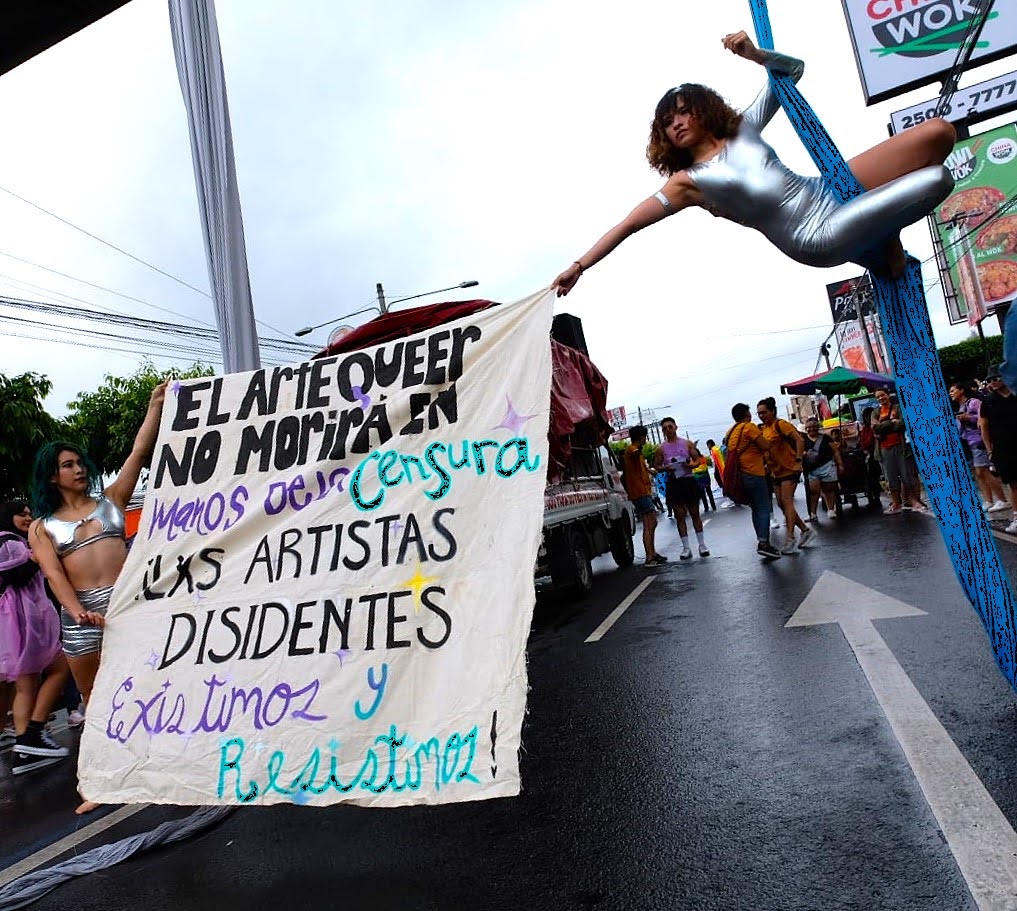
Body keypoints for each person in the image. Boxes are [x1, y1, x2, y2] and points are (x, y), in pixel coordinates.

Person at [552, 30, 955, 297]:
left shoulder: (743, 129)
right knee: (938, 179)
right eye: (666, 122)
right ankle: (885, 239)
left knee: (938, 133)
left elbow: (793, 71)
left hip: (822, 189)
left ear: (702, 110)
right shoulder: (688, 182)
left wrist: (754, 55)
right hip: (812, 233)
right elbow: (627, 224)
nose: (675, 123)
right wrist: (579, 266)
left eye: (681, 112)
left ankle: (882, 238)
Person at [28, 381, 167, 813]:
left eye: (80, 463)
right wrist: (77, 611)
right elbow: (54, 574)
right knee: (96, 703)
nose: (79, 470)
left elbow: (137, 456)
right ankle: (95, 786)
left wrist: (155, 406)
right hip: (83, 618)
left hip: (128, 609)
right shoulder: (43, 527)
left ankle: (158, 766)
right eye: (68, 465)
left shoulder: (111, 502)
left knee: (153, 686)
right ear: (53, 475)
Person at [0, 500, 72, 776]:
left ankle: (26, 743)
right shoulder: (11, 543)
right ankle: (28, 739)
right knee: (51, 670)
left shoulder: (15, 541)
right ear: (8, 516)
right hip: (22, 623)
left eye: (30, 513)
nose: (28, 518)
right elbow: (16, 577)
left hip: (20, 623)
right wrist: (36, 556)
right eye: (21, 513)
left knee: (27, 683)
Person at [724, 403, 780, 559]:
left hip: (740, 476)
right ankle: (764, 544)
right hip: (754, 473)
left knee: (755, 509)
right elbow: (765, 445)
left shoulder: (731, 431)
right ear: (747, 414)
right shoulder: (749, 427)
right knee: (763, 508)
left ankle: (761, 539)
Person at [757, 398, 813, 553]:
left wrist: (799, 459)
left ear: (772, 411)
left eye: (764, 412)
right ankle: (805, 530)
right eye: (759, 413)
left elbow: (799, 440)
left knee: (787, 502)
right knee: (782, 504)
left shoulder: (780, 424)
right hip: (775, 471)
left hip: (789, 468)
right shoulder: (763, 429)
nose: (762, 415)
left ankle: (790, 538)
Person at [654, 417, 710, 559]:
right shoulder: (661, 448)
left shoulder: (687, 444)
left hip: (688, 480)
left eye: (670, 427)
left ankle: (702, 545)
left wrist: (692, 465)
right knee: (680, 515)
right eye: (665, 428)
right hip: (673, 482)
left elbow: (697, 460)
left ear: (675, 427)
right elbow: (657, 466)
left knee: (695, 513)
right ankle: (686, 548)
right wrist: (666, 468)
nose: (668, 430)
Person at [950, 381, 1008, 513]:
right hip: (968, 443)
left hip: (978, 441)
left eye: (953, 390)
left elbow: (984, 418)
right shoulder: (960, 407)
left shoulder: (974, 402)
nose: (951, 394)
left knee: (984, 471)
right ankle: (988, 500)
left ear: (961, 390)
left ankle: (1002, 499)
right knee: (978, 473)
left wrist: (968, 418)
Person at [871, 387, 926, 514]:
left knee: (907, 475)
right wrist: (891, 423)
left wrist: (884, 425)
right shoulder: (875, 412)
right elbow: (875, 428)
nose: (881, 398)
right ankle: (896, 503)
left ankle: (914, 501)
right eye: (878, 396)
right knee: (890, 478)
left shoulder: (898, 408)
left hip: (901, 446)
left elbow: (903, 423)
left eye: (882, 395)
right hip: (884, 449)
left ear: (888, 395)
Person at [978, 368, 1017, 534]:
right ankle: (1016, 516)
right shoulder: (988, 401)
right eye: (990, 379)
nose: (993, 381)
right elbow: (984, 427)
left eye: (996, 378)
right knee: (1013, 483)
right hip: (1003, 448)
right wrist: (989, 449)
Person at [623, 425, 667, 566]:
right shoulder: (632, 449)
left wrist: (649, 470)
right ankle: (649, 557)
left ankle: (652, 553)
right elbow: (634, 453)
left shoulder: (635, 453)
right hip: (639, 492)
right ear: (641, 437)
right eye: (645, 437)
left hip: (643, 491)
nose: (645, 439)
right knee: (649, 523)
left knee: (652, 522)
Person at [802, 417, 844, 521]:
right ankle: (813, 513)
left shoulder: (826, 438)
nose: (812, 429)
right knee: (813, 491)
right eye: (809, 427)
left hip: (827, 466)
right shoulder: (802, 440)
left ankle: (831, 509)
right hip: (811, 469)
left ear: (818, 427)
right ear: (806, 428)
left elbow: (835, 451)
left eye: (814, 427)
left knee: (828, 489)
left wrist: (840, 464)